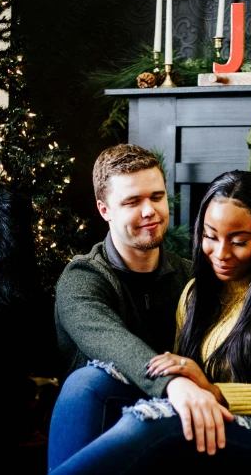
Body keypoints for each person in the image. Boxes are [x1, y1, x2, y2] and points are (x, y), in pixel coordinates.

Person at [50, 170, 251, 474]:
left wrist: (216, 393)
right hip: (216, 427)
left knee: (158, 420)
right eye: (210, 236)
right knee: (87, 383)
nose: (220, 253)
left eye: (239, 241)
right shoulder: (196, 292)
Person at [47, 144, 192, 470]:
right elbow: (110, 342)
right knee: (89, 380)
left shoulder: (189, 275)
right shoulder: (82, 278)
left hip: (172, 418)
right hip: (102, 420)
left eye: (157, 196)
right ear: (104, 210)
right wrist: (174, 383)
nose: (149, 211)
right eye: (132, 201)